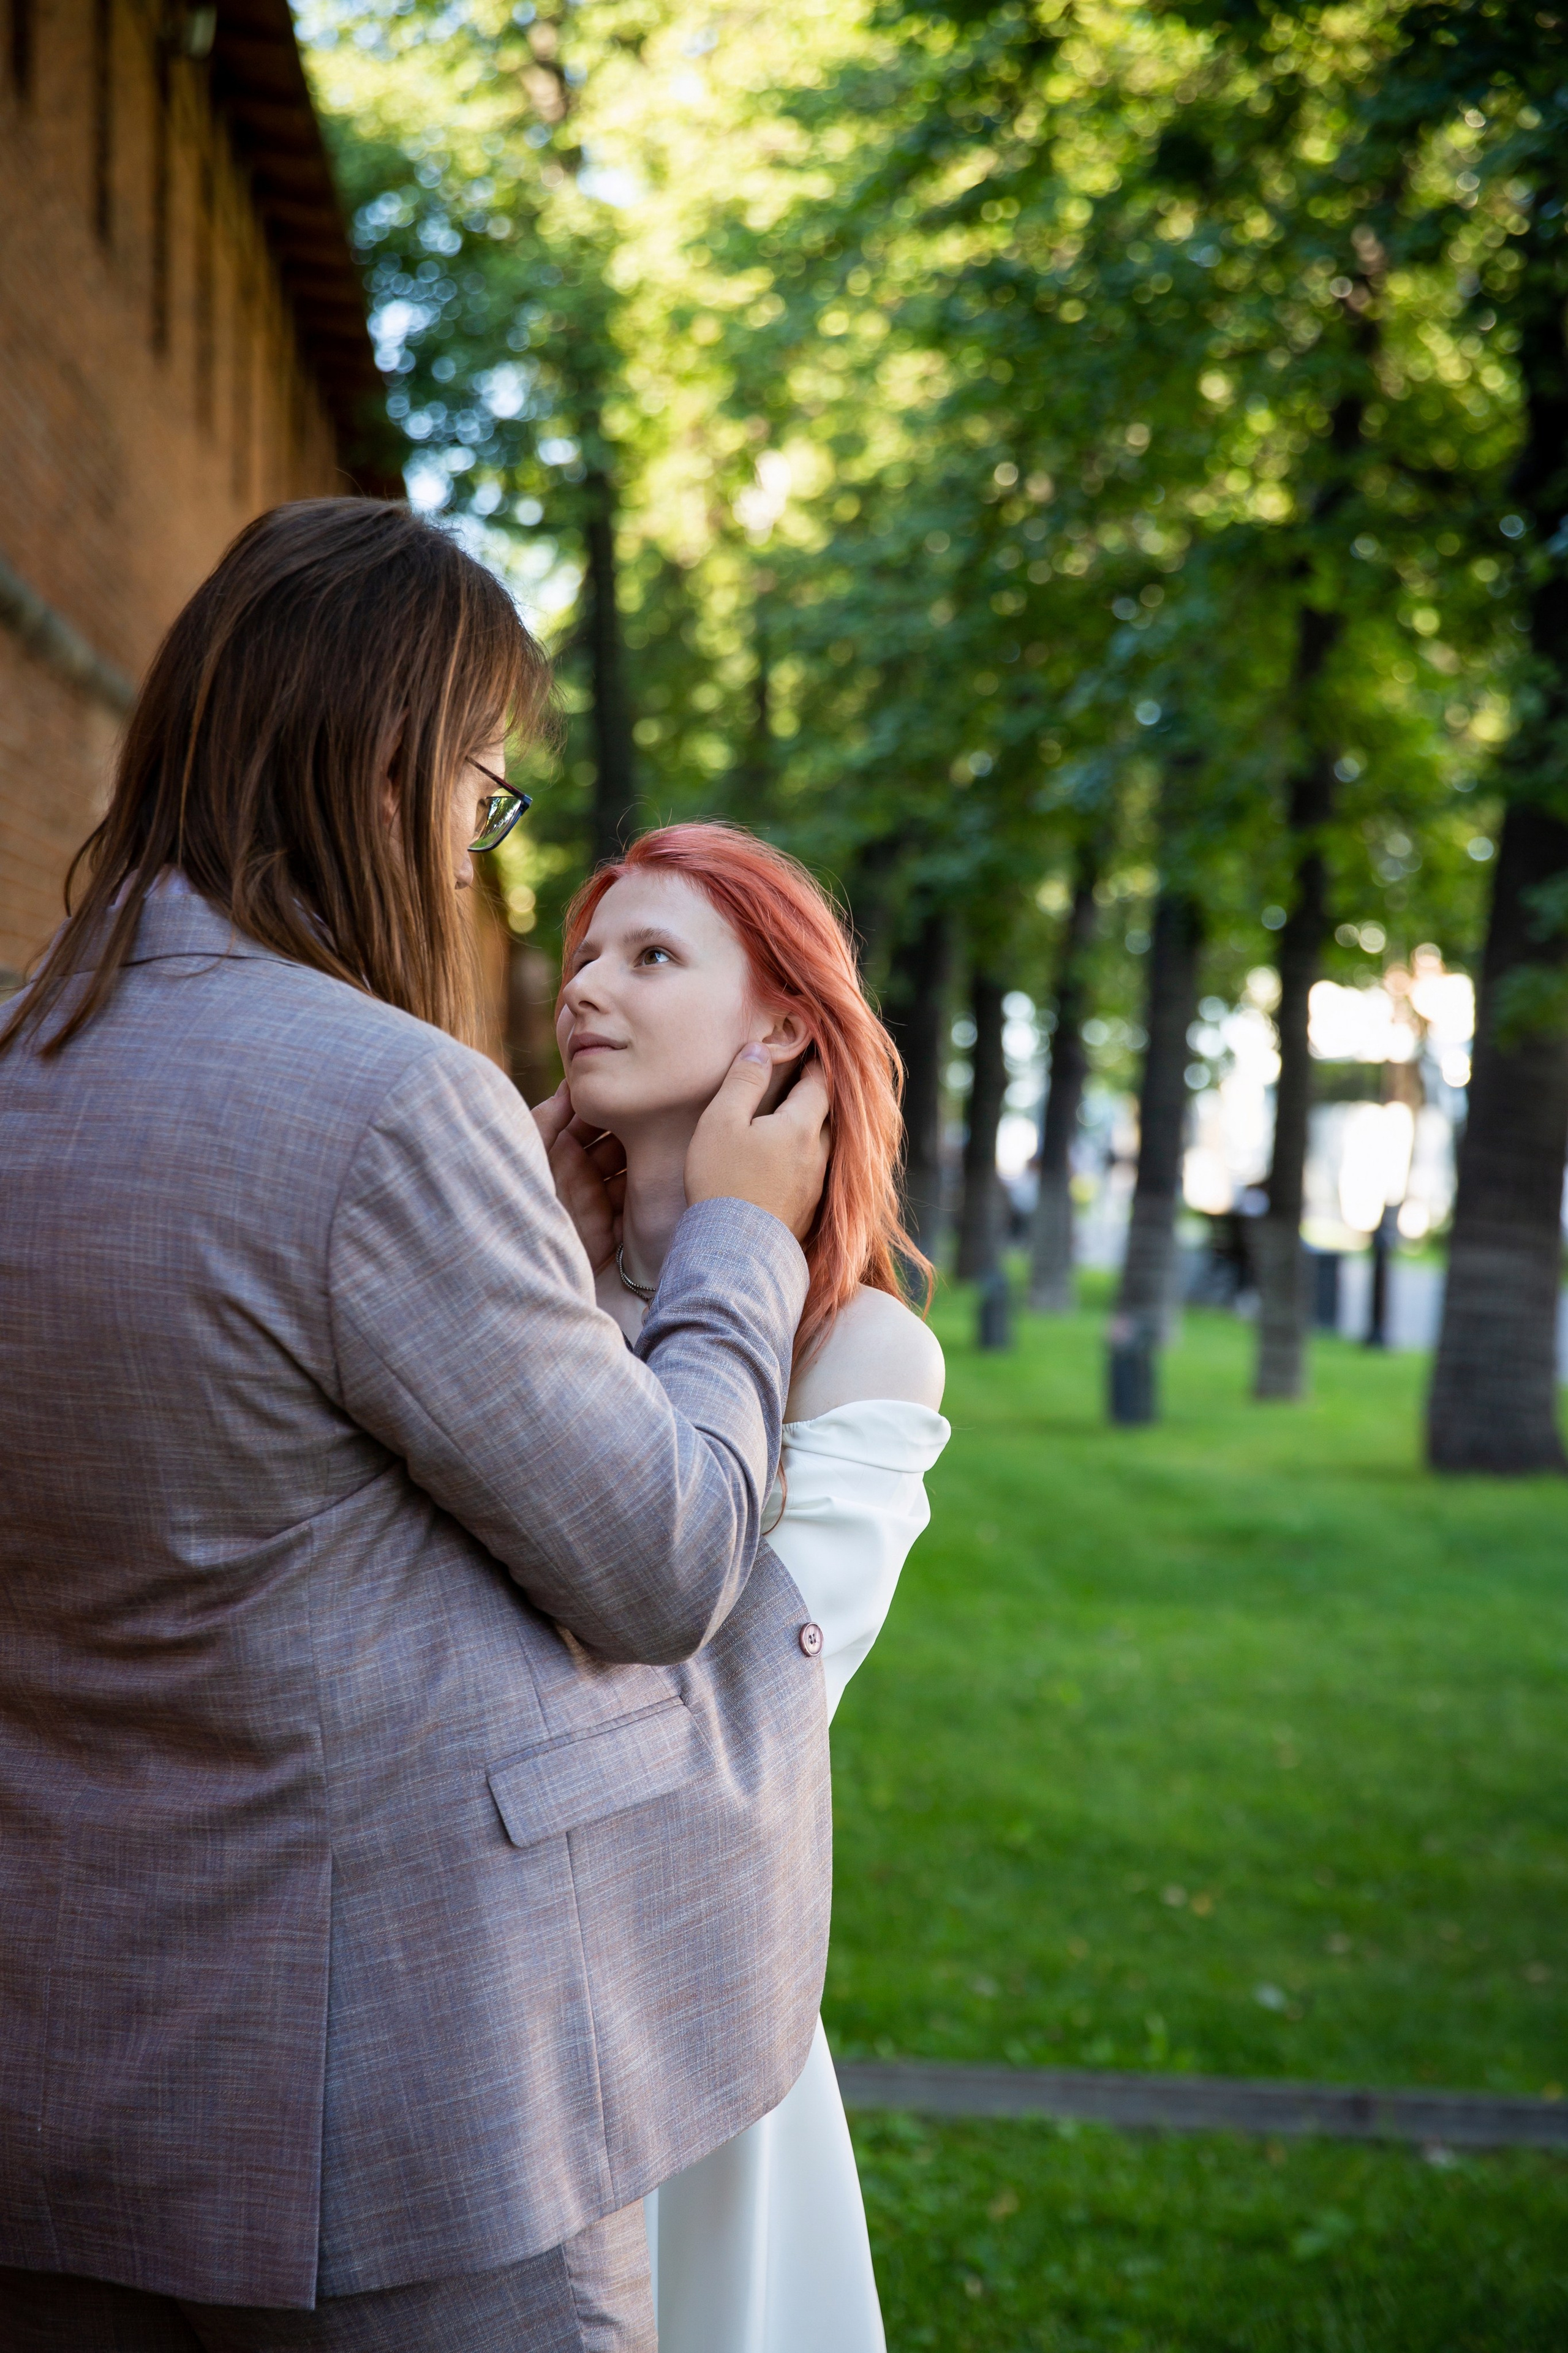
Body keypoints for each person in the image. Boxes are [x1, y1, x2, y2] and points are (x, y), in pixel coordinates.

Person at [0, 500, 834, 2352]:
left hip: (49, 2073)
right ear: (389, 768)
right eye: (482, 785)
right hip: (378, 2111)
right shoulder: (389, 1102)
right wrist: (738, 1249)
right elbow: (666, 1558)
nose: (479, 848)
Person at [545, 823, 950, 2353]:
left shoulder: (860, 1355)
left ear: (781, 1023)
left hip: (693, 1974)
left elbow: (743, 1682)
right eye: (588, 951)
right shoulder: (505, 1299)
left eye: (651, 956)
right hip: (468, 1983)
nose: (586, 985)